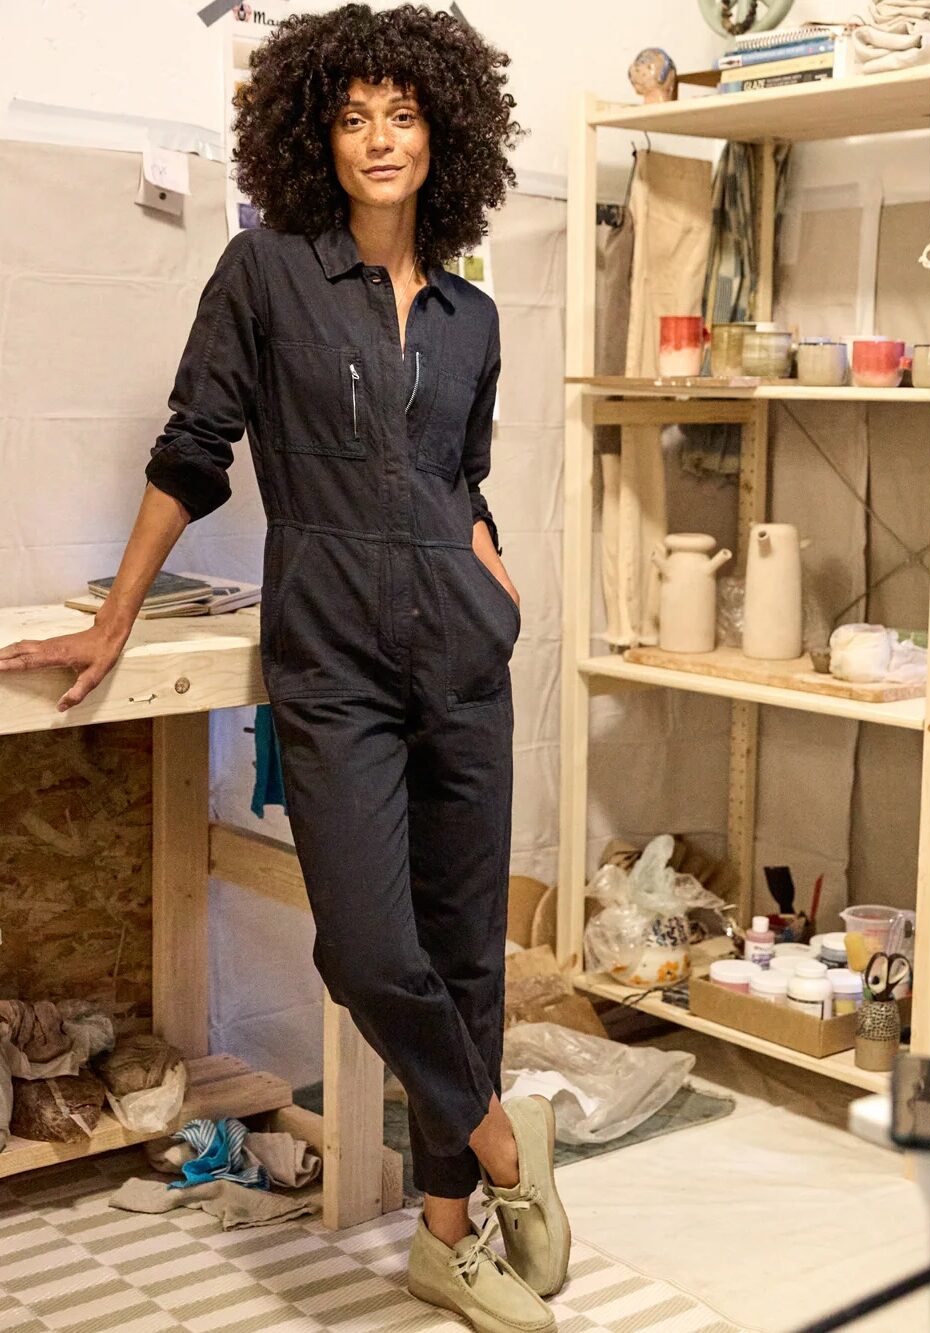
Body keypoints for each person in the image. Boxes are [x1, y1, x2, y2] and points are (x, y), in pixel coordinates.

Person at [0, 6, 569, 1329]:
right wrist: (114, 617)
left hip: (464, 659)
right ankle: (500, 1144)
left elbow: (460, 474)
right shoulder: (265, 275)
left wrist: (489, 560)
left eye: (404, 113)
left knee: (462, 954)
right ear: (319, 133)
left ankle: (445, 1240)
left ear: (444, 132)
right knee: (373, 951)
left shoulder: (477, 315)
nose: (381, 137)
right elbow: (194, 447)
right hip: (335, 661)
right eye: (355, 114)